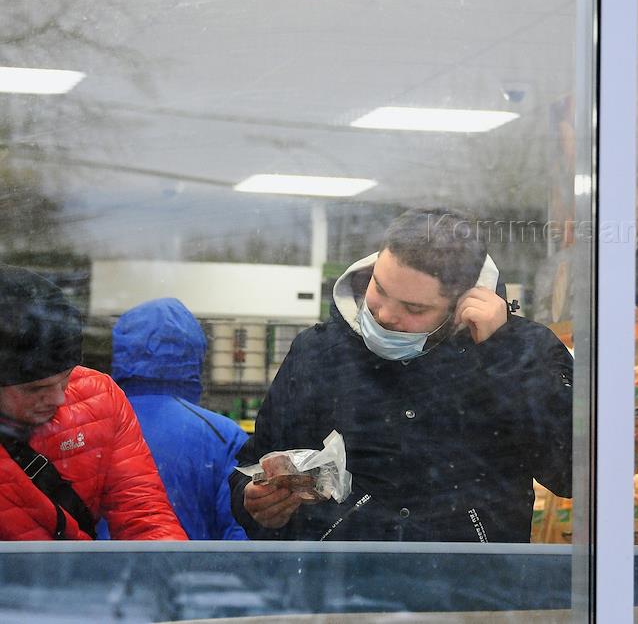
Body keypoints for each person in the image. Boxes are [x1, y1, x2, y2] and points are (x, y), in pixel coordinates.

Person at [230, 208, 573, 541]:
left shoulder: (522, 351)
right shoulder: (317, 351)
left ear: (462, 304)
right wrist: (254, 503)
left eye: (414, 308)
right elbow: (253, 465)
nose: (386, 315)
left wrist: (504, 354)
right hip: (338, 574)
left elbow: (572, 474)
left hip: (471, 576)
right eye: (379, 288)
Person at [0, 266, 185, 540]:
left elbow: (143, 512)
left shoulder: (100, 397)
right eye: (35, 389)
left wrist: (166, 562)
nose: (59, 398)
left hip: (75, 568)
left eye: (66, 377)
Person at [102, 298, 248, 540]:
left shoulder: (91, 425)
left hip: (101, 565)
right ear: (195, 352)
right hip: (190, 564)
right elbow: (240, 533)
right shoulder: (222, 435)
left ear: (122, 350)